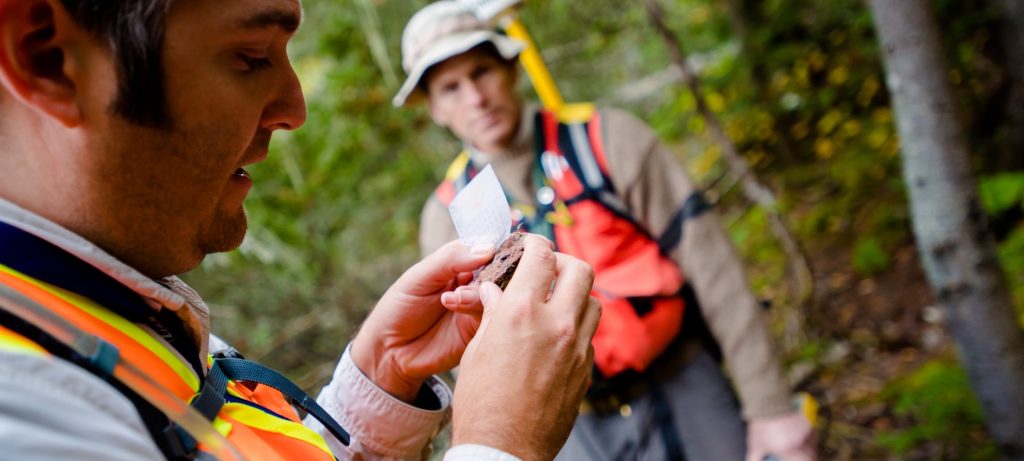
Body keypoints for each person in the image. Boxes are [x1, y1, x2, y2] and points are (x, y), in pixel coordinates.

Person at [0, 1, 602, 460]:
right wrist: (499, 442)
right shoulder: (22, 404)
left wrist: (378, 387)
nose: (294, 108)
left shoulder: (101, 305)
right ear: (48, 56)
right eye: (251, 57)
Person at [394, 2, 816, 460]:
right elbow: (467, 355)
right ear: (433, 108)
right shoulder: (448, 214)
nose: (475, 98)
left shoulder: (607, 139)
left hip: (684, 382)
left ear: (511, 68)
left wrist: (770, 406)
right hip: (567, 430)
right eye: (451, 88)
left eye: (481, 72)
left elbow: (714, 267)